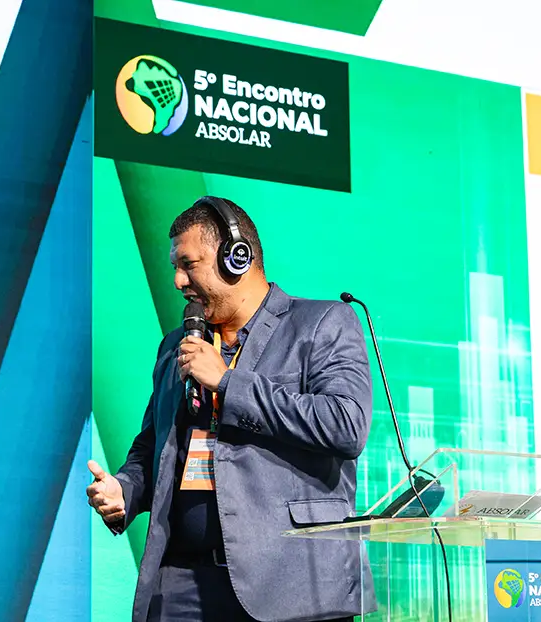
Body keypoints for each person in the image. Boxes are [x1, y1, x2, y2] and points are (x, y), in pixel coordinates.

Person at [87, 197, 374, 622]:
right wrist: (123, 491)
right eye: (175, 267)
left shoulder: (322, 323)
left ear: (236, 257)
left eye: (188, 265)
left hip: (290, 581)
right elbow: (153, 447)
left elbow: (345, 425)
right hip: (182, 583)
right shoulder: (176, 345)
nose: (178, 280)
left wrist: (227, 383)